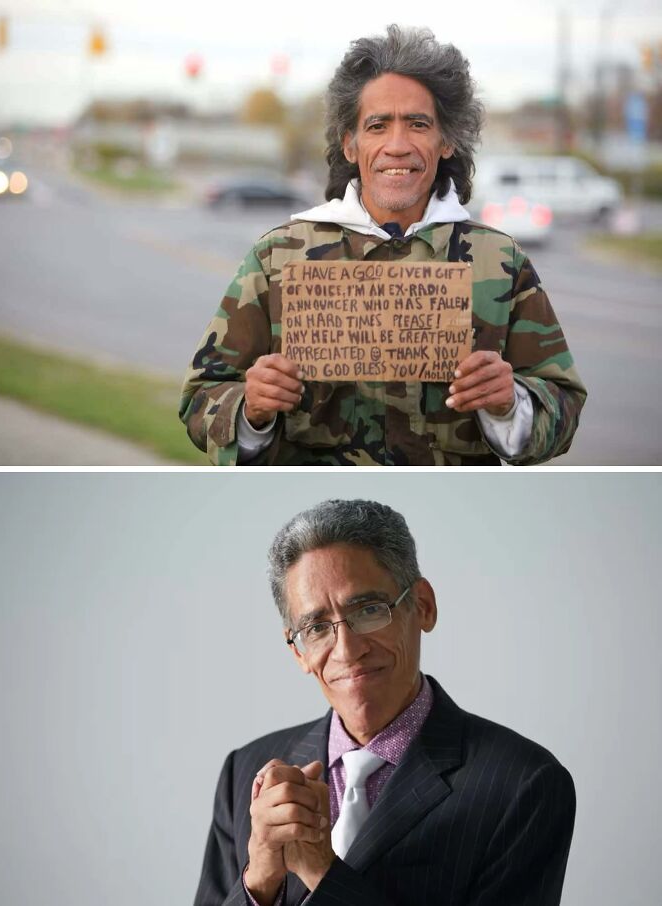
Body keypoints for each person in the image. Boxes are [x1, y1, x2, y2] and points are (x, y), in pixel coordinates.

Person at [180, 26, 586, 465]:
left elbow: (563, 404)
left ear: (446, 140)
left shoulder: (501, 263)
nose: (397, 146)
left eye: (418, 124)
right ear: (351, 145)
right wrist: (251, 409)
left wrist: (511, 404)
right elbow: (200, 400)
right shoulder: (278, 256)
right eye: (377, 126)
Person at [194, 499, 576, 905]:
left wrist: (322, 872)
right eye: (318, 627)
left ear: (424, 606)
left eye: (369, 610)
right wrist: (259, 881)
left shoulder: (523, 784)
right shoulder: (244, 772)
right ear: (299, 651)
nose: (347, 650)